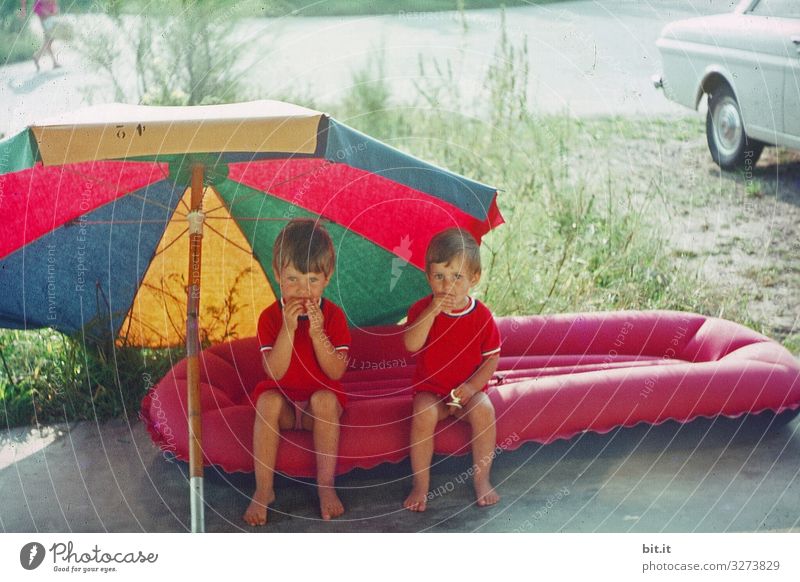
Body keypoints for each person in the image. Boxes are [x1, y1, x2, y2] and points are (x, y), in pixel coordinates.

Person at [243, 218, 351, 526]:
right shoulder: (270, 318)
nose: (303, 290)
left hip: (319, 407)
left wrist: (318, 334)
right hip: (287, 405)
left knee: (324, 399)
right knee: (267, 401)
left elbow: (335, 372)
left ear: (327, 278)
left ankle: (325, 487)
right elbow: (274, 373)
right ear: (277, 275)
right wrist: (288, 330)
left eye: (312, 281)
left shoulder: (333, 316)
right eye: (293, 280)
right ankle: (264, 490)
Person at [403, 228, 501, 511]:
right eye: (439, 277)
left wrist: (471, 387)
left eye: (457, 277)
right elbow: (410, 345)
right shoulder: (422, 309)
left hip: (467, 391)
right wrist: (432, 312)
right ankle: (421, 484)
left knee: (485, 410)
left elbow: (491, 359)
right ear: (428, 277)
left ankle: (482, 480)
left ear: (474, 278)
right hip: (431, 391)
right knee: (422, 412)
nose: (448, 285)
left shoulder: (481, 316)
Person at [19, 0, 61, 71]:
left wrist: (55, 5)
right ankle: (43, 58)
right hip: (42, 6)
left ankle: (40, 57)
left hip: (47, 5)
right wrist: (23, 8)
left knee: (49, 38)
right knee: (49, 37)